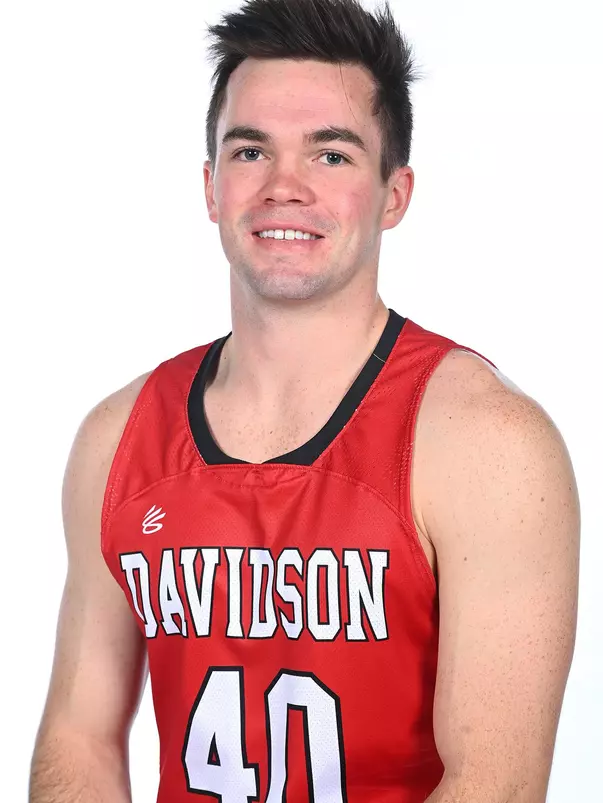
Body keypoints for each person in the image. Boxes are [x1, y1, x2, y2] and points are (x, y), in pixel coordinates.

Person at [29, 1, 580, 801]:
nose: (284, 186)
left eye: (330, 155)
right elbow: (77, 736)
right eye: (251, 150)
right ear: (212, 186)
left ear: (394, 194)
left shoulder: (487, 442)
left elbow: (494, 783)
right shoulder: (116, 438)